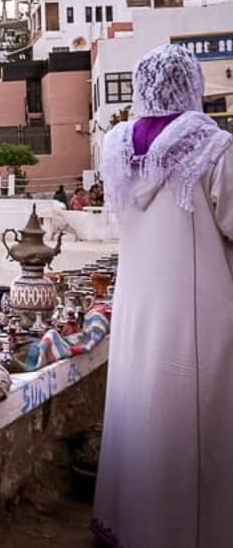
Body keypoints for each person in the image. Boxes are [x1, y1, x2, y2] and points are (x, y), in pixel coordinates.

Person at [92, 44, 233, 547]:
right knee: (196, 426)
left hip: (137, 313)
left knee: (144, 416)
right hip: (199, 313)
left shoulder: (116, 149)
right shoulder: (214, 149)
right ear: (191, 86)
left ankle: (136, 527)